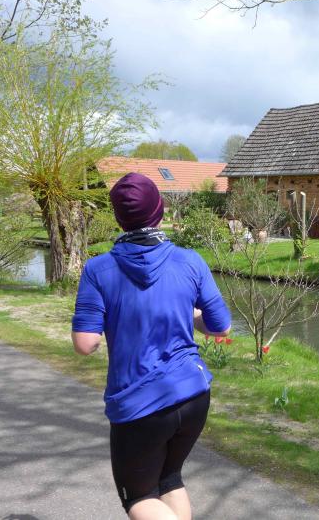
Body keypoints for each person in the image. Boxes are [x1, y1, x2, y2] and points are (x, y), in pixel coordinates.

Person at [71, 172, 231, 520]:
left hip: (139, 405)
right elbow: (221, 326)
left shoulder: (98, 269)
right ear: (159, 212)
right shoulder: (190, 261)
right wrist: (191, 315)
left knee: (139, 497)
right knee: (168, 479)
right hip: (193, 395)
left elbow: (85, 343)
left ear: (119, 219)